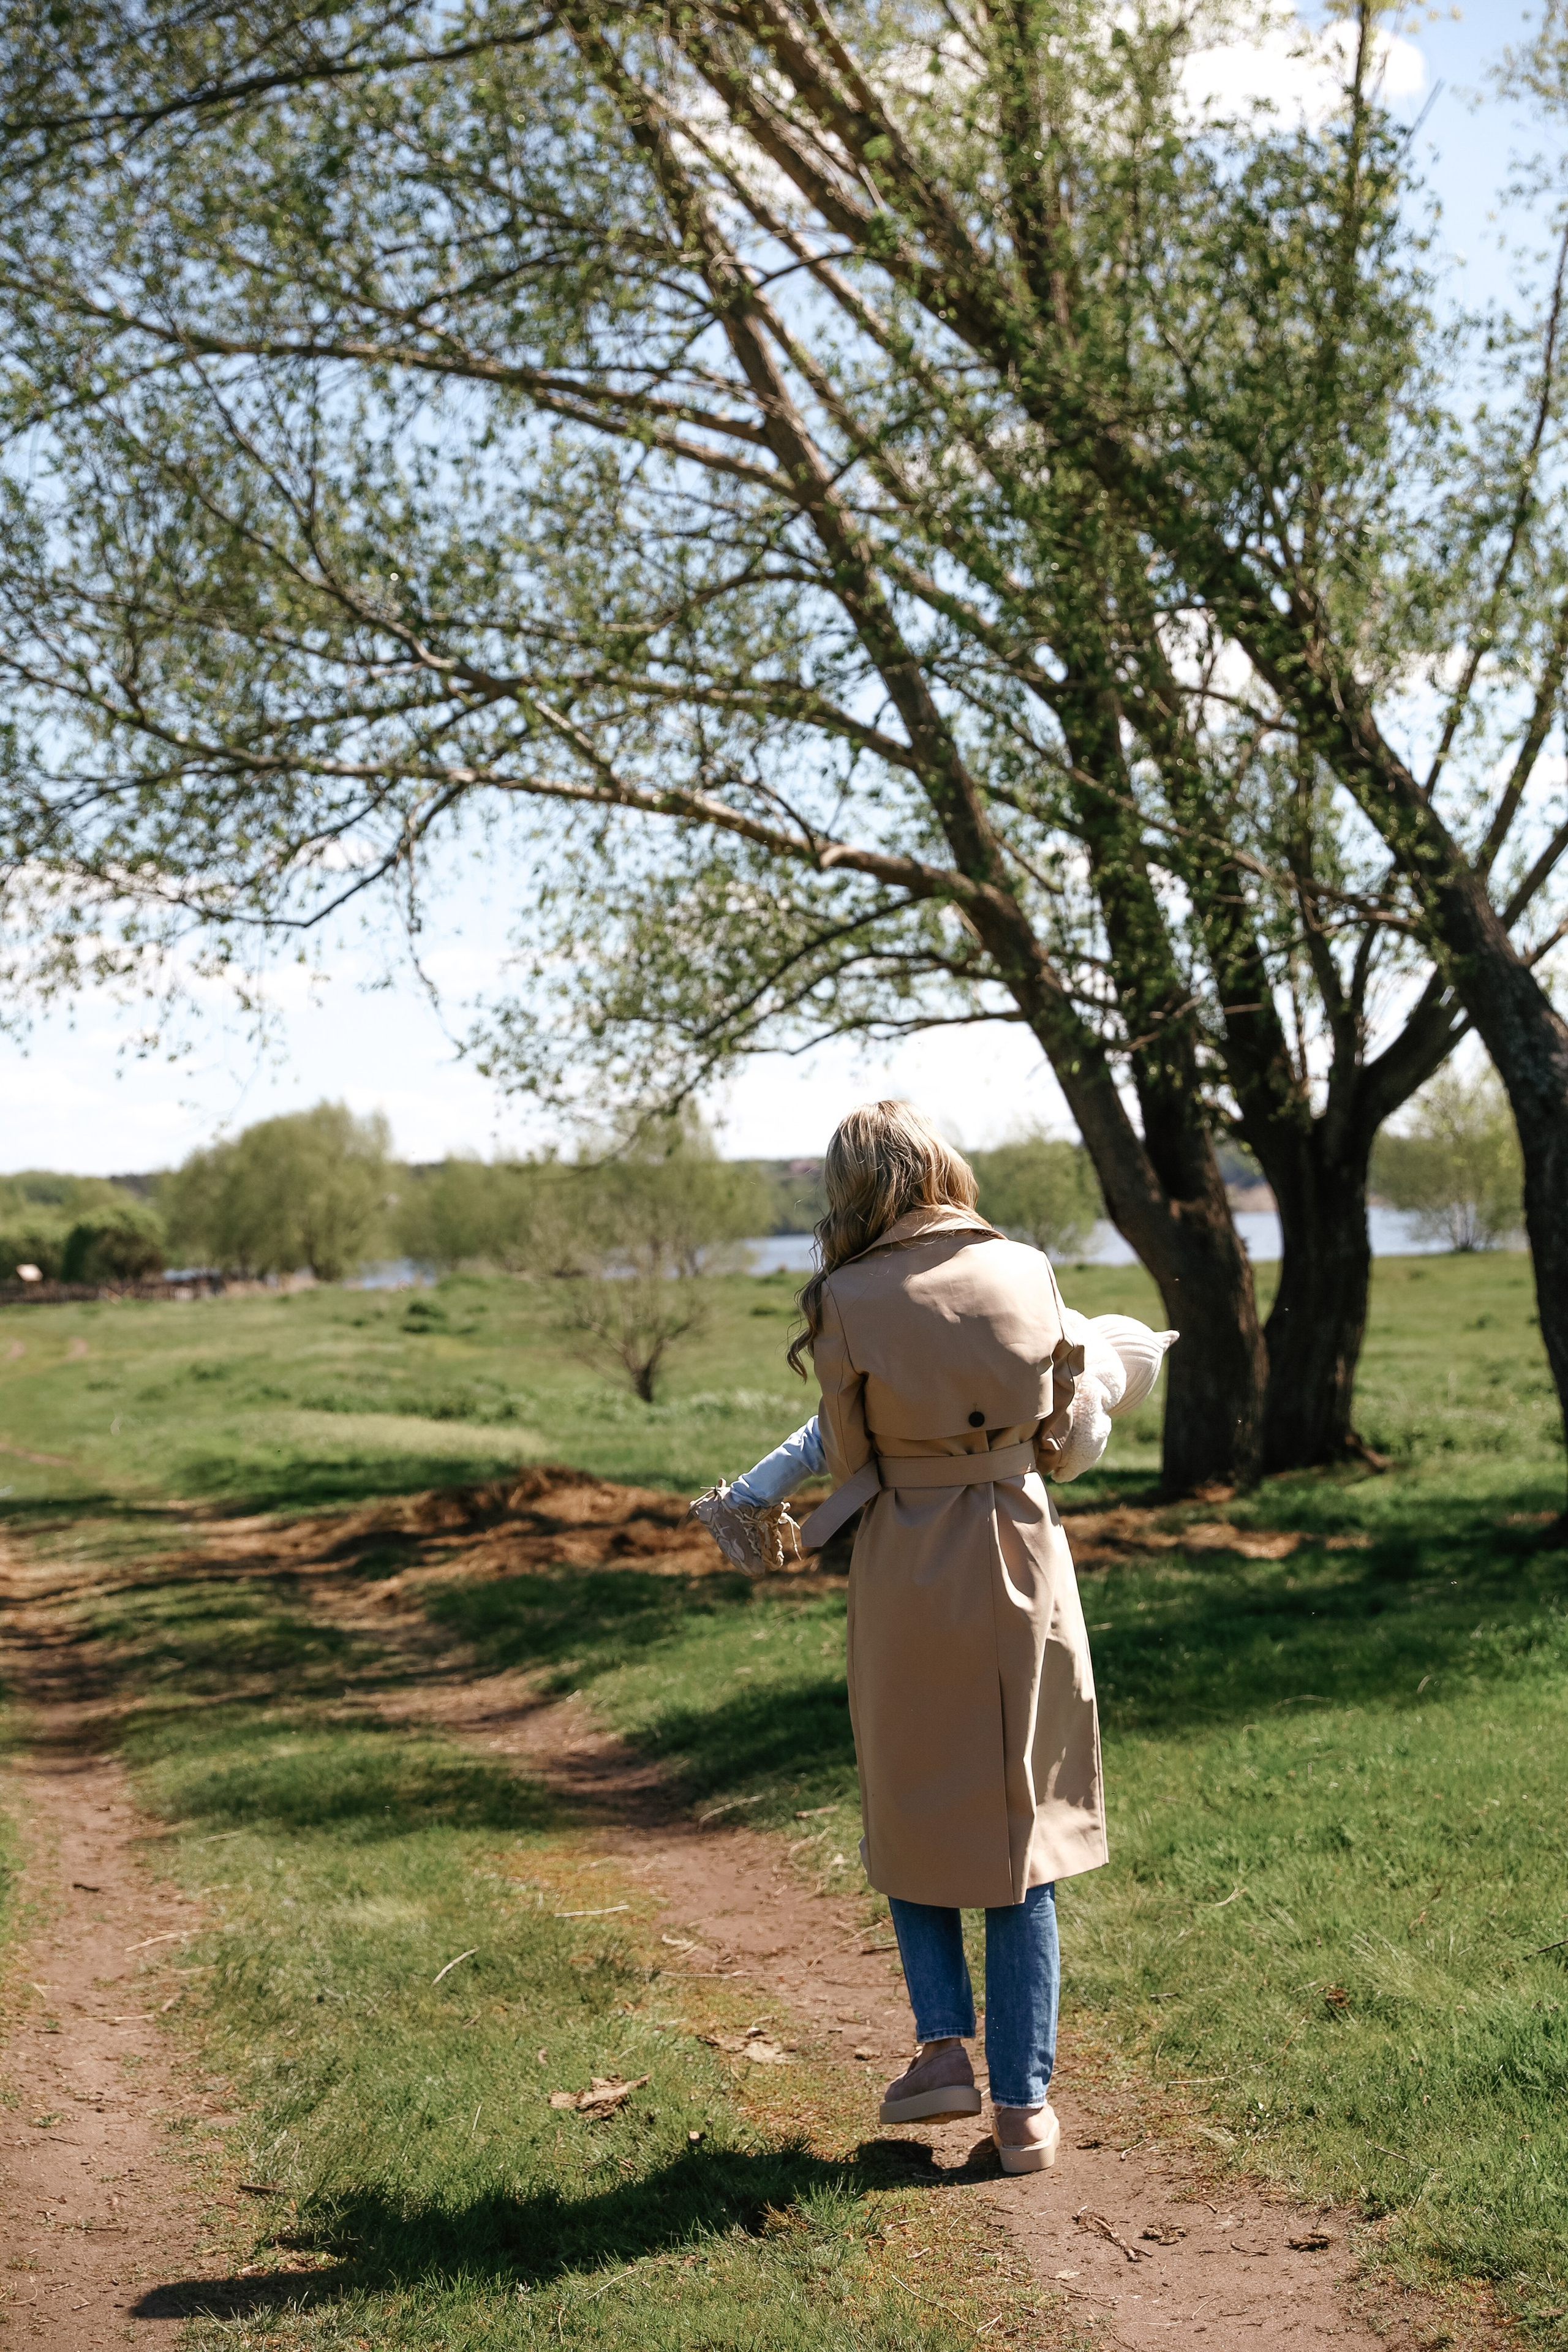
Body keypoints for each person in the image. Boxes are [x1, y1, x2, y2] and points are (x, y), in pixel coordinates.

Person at [690, 1101, 1174, 2174]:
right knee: (1022, 1827)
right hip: (1021, 1554)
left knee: (912, 1805)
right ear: (943, 1167)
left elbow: (851, 1448)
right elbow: (1063, 1434)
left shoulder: (844, 1300)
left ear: (851, 1190)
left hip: (908, 1562)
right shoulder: (1030, 1269)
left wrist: (765, 1496)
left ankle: (944, 2053)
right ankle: (1026, 2113)